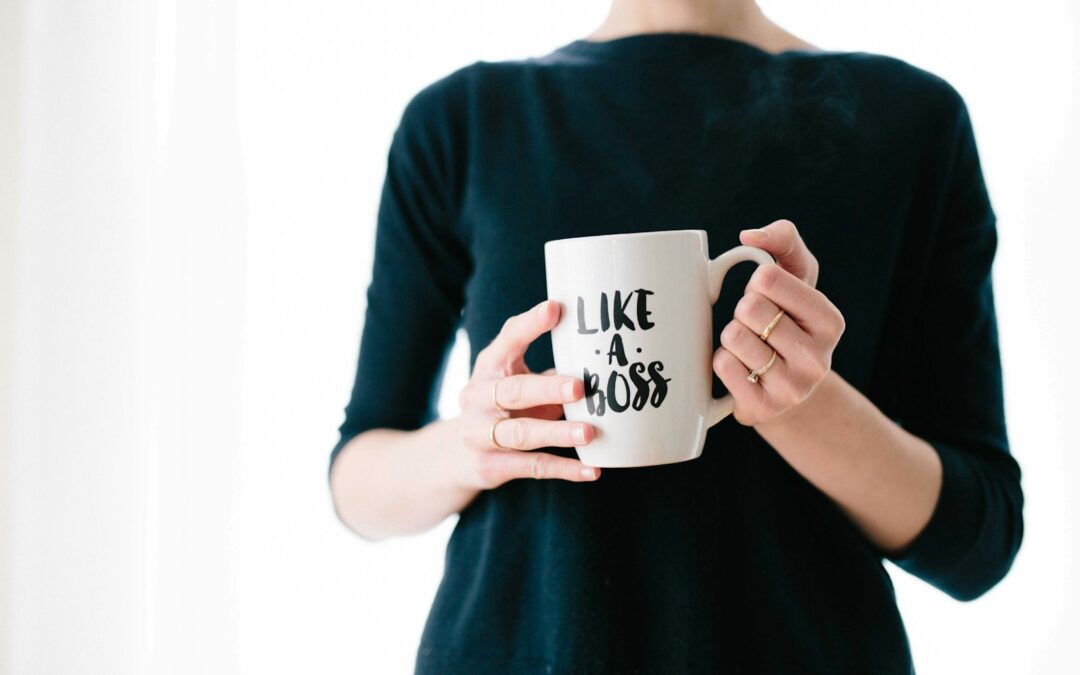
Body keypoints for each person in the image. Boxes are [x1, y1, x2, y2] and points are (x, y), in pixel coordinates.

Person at [328, 0, 1024, 672]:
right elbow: (357, 480)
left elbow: (979, 540)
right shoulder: (463, 123)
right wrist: (471, 445)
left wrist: (800, 404)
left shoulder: (911, 122)